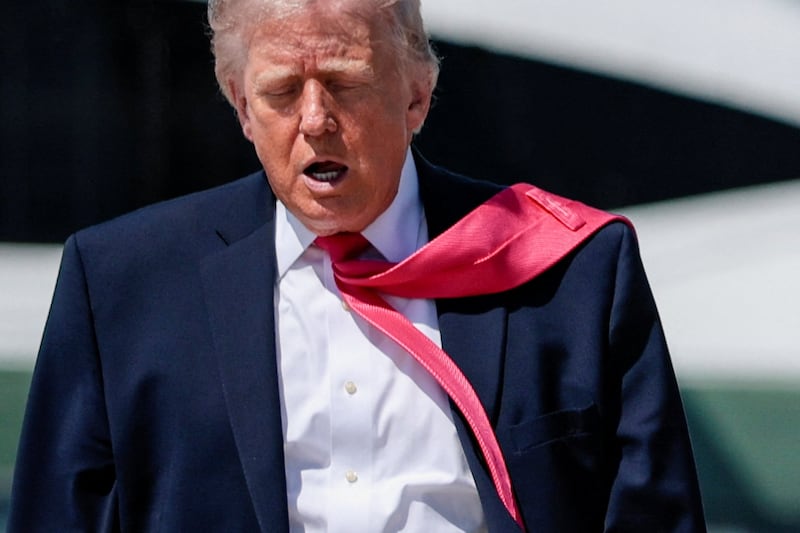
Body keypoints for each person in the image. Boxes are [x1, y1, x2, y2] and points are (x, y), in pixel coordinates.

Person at [8, 0, 706, 531]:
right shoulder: (118, 286)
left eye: (344, 83)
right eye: (282, 91)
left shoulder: (571, 268)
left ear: (416, 96)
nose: (314, 120)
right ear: (240, 104)